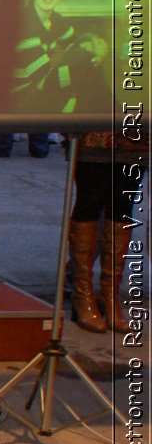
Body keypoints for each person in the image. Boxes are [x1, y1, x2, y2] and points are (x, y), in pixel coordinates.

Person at [70, 127, 144, 333]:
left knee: (123, 204)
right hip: (95, 127)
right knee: (90, 199)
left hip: (136, 129)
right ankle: (82, 293)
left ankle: (110, 294)